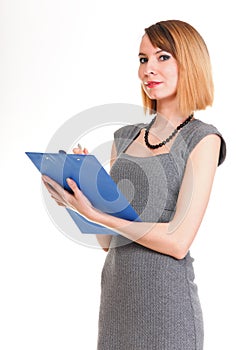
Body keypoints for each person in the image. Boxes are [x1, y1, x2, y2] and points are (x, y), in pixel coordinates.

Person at [42, 19, 226, 350]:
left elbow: (178, 241)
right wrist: (84, 195)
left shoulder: (203, 139)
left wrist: (98, 215)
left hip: (169, 313)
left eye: (162, 57)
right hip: (116, 306)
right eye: (143, 60)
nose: (148, 70)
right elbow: (109, 242)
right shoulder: (124, 138)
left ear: (190, 62)